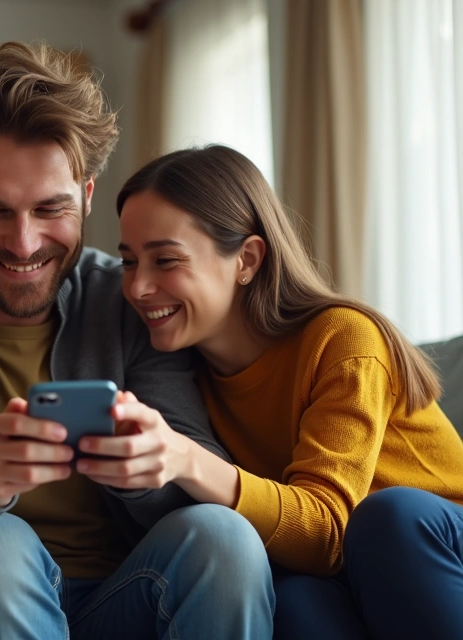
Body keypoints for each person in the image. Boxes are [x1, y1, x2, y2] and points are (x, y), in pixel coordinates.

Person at [0, 42, 274, 640]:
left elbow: (193, 463)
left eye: (50, 209)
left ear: (87, 195)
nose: (25, 242)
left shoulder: (131, 299)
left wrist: (150, 467)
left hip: (130, 591)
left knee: (225, 535)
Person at [114, 144, 463, 640]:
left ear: (247, 260)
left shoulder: (343, 339)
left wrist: (186, 459)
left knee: (388, 516)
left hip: (432, 549)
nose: (138, 287)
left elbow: (328, 531)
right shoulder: (176, 374)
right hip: (344, 576)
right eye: (128, 262)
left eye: (165, 260)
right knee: (291, 600)